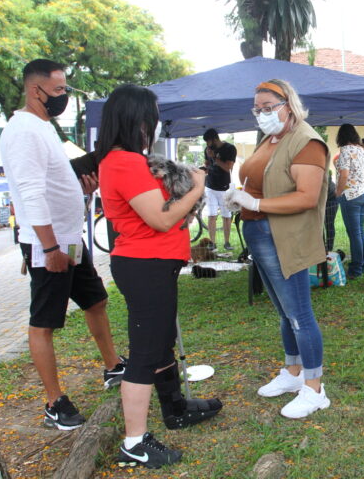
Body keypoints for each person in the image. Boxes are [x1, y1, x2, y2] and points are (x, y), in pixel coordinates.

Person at [97, 84, 223, 469]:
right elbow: (163, 217)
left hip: (153, 263)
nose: (155, 124)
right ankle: (134, 443)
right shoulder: (124, 163)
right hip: (144, 265)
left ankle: (175, 407)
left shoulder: (127, 160)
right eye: (152, 116)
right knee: (146, 353)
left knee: (161, 340)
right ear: (138, 119)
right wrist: (198, 186)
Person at [0, 59, 125, 431]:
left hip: (70, 239)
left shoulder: (45, 127)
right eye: (57, 91)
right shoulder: (23, 130)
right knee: (44, 321)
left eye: (65, 90)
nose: (63, 97)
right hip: (47, 246)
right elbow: (32, 194)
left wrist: (82, 193)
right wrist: (50, 248)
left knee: (96, 300)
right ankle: (54, 402)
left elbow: (55, 185)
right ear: (35, 90)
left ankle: (113, 365)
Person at [228, 79, 331, 418]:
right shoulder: (272, 139)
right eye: (257, 109)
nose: (262, 114)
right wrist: (239, 199)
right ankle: (292, 373)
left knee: (299, 314)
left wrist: (256, 202)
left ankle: (314, 388)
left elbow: (306, 196)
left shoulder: (306, 141)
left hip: (284, 236)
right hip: (261, 232)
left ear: (289, 104)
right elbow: (258, 179)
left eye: (269, 107)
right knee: (284, 313)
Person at [335, 124, 364, 279]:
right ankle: (363, 265)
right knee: (360, 232)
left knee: (354, 233)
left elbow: (343, 175)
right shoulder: (361, 150)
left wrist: (338, 192)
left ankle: (356, 269)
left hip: (350, 196)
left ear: (341, 137)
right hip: (363, 193)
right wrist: (360, 183)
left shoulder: (345, 151)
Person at [202, 128, 237, 250]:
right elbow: (207, 163)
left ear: (215, 139)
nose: (207, 145)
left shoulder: (229, 149)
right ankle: (212, 242)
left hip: (224, 187)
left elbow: (228, 167)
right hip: (210, 186)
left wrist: (215, 158)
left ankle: (227, 242)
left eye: (208, 141)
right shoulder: (208, 150)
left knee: (226, 216)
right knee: (211, 215)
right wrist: (203, 168)